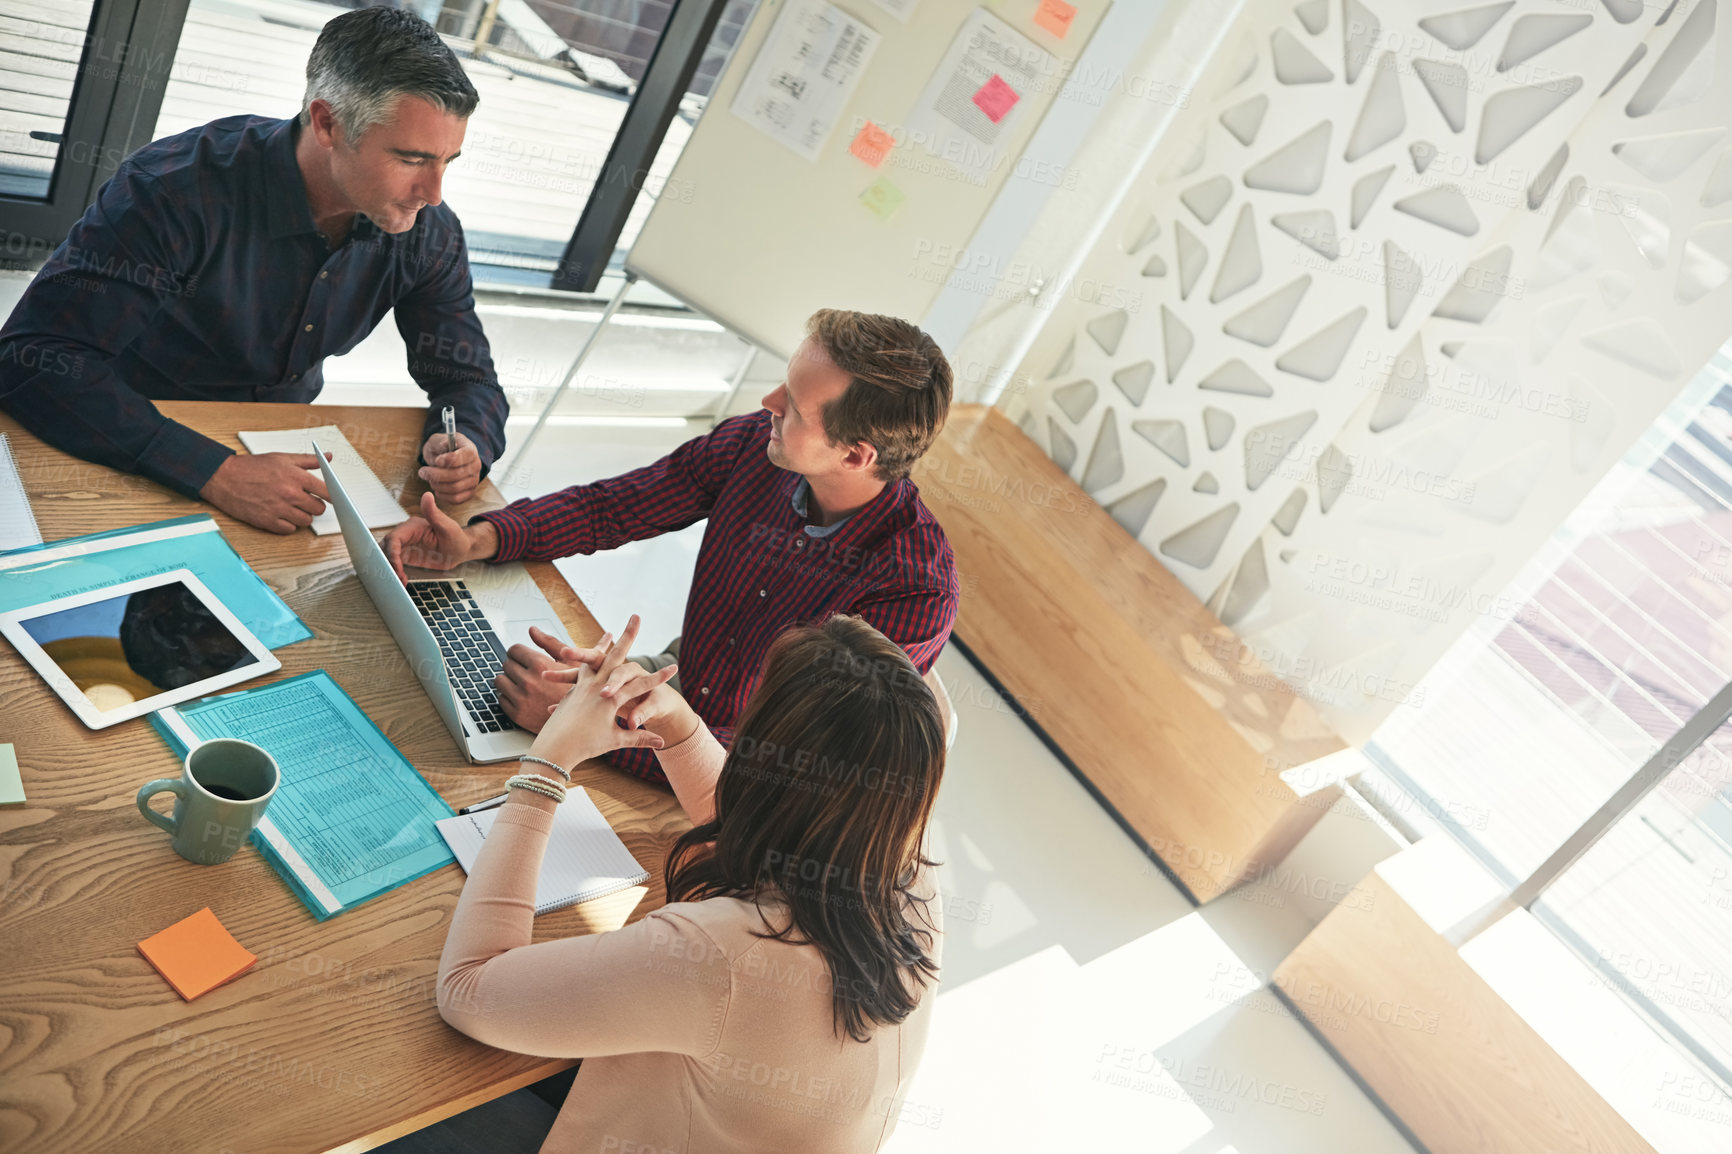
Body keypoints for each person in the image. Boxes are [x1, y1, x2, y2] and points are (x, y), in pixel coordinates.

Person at [436, 612, 945, 1153]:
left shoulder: (718, 954)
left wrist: (548, 762)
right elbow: (781, 831)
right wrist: (676, 726)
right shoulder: (906, 859)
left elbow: (467, 989)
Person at [382, 308, 959, 784]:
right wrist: (480, 538)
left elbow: (782, 770)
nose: (768, 403)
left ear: (856, 456)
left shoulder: (914, 590)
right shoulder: (755, 446)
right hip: (676, 684)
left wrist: (585, 729)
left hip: (735, 774)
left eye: (795, 405)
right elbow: (616, 507)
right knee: (447, 707)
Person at [0, 7, 507, 534]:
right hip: (124, 447)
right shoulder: (173, 191)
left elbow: (468, 379)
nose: (434, 192)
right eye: (410, 159)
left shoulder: (428, 229)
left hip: (280, 466)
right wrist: (215, 471)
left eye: (449, 161)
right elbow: (33, 357)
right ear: (328, 123)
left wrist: (469, 439)